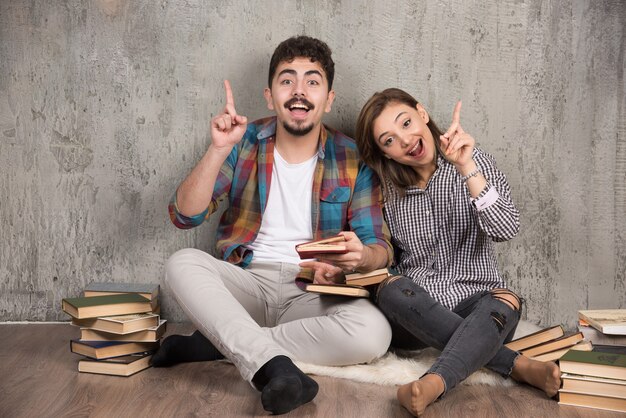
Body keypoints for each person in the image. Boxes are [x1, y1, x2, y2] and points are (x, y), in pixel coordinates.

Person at [152, 36, 393, 415]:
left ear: (328, 99)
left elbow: (379, 248)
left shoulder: (353, 158)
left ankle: (222, 344)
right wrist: (218, 149)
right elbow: (184, 215)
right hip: (246, 283)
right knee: (181, 263)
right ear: (270, 96)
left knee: (374, 333)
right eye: (287, 80)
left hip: (312, 292)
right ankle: (272, 366)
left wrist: (361, 256)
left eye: (312, 81)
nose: (299, 92)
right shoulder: (244, 141)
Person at [354, 88, 561, 417]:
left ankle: (434, 382)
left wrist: (466, 167)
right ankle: (517, 366)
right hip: (415, 315)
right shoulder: (386, 190)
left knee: (507, 299)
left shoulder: (475, 162)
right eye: (389, 140)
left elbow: (505, 229)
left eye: (406, 123)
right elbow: (385, 254)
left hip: (478, 305)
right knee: (390, 290)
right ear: (386, 154)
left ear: (422, 114)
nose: (405, 140)